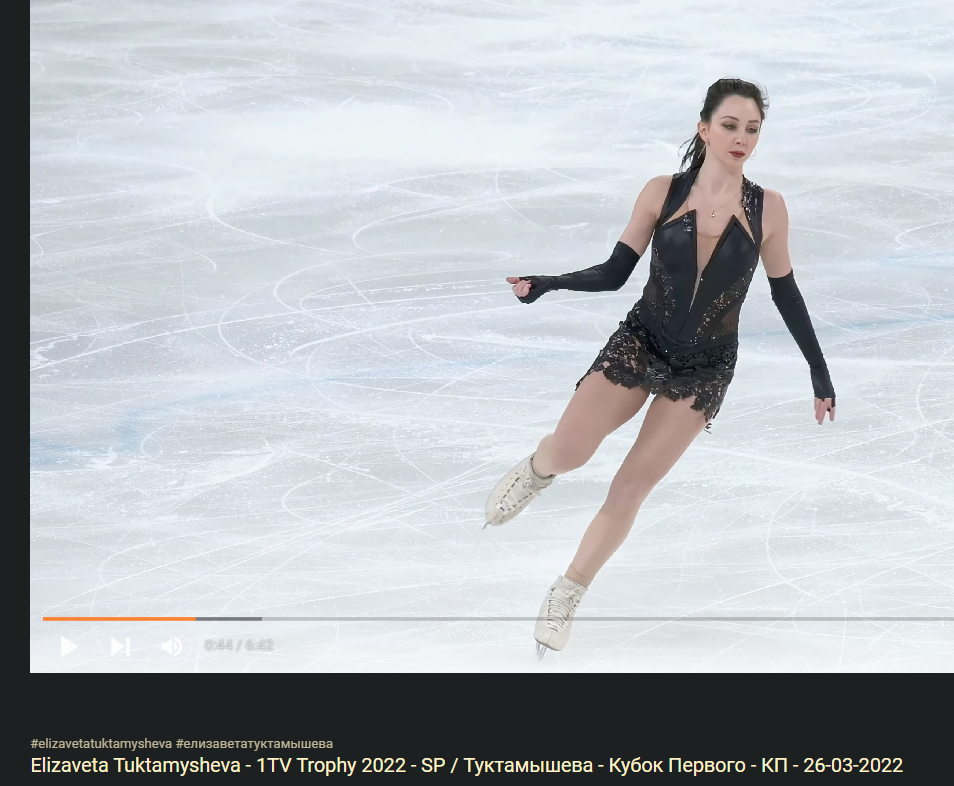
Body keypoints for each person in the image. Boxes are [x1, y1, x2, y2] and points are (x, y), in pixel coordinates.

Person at [483, 78, 837, 658]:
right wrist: (549, 283)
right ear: (704, 128)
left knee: (630, 487)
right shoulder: (663, 192)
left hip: (704, 368)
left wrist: (818, 373)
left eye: (752, 129)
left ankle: (569, 589)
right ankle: (539, 470)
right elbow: (614, 272)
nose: (741, 138)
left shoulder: (768, 208)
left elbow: (786, 293)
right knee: (570, 452)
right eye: (730, 125)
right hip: (641, 343)